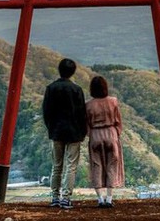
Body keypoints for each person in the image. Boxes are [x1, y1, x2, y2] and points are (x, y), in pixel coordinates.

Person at [42, 57, 87, 209]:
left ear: (59, 70)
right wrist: (83, 132)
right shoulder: (77, 90)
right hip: (74, 132)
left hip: (56, 131)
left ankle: (54, 197)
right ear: (73, 72)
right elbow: (82, 113)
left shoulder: (51, 88)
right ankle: (66, 198)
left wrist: (51, 128)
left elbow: (46, 112)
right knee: (71, 166)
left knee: (56, 165)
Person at [86, 75, 124, 207]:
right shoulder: (113, 101)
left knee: (96, 165)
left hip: (95, 135)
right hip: (111, 134)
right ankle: (109, 199)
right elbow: (118, 121)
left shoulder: (88, 105)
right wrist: (116, 133)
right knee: (112, 164)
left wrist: (91, 135)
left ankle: (100, 199)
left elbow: (87, 125)